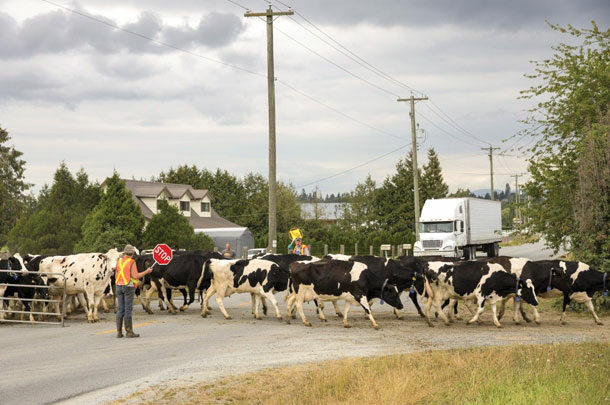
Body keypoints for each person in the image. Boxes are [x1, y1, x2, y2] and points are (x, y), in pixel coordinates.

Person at [115, 244, 152, 338]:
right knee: (128, 309)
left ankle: (119, 332)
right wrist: (147, 271)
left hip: (118, 286)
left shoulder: (119, 261)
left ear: (124, 252)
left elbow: (118, 274)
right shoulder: (131, 262)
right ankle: (129, 332)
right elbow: (135, 276)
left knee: (120, 309)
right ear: (132, 253)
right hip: (128, 287)